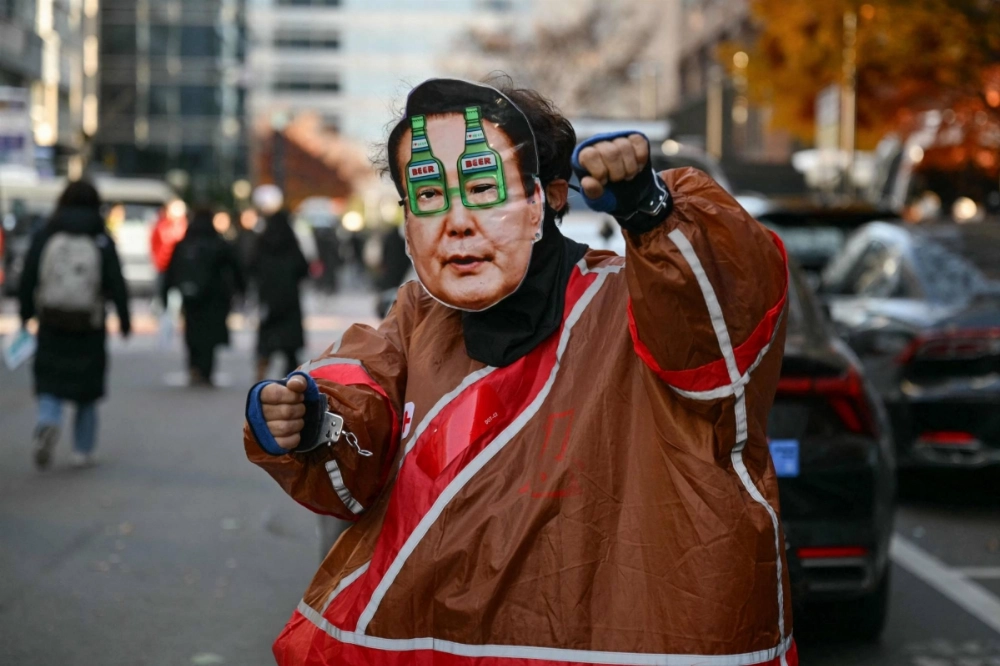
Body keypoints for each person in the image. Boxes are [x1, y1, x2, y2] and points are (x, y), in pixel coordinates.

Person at [244, 78, 794, 666]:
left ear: (551, 195)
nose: (456, 222)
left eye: (483, 187)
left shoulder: (631, 301)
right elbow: (360, 396)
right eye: (428, 196)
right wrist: (311, 417)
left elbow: (721, 323)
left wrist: (652, 212)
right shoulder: (419, 318)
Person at [18, 180, 131, 469]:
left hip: (52, 320)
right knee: (87, 389)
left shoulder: (46, 233)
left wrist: (26, 313)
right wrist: (124, 319)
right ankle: (82, 450)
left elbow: (29, 275)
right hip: (88, 324)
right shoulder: (100, 236)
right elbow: (116, 282)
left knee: (50, 379)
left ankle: (48, 421)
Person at [163, 207, 244, 386]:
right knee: (210, 336)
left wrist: (165, 294)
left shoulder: (184, 244)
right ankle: (206, 371)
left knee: (192, 332)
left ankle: (194, 367)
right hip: (214, 298)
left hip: (191, 297)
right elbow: (235, 268)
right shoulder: (218, 243)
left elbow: (170, 272)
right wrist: (240, 290)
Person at [250, 209, 309, 381]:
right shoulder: (291, 243)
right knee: (290, 348)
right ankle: (292, 381)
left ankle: (260, 376)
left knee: (266, 342)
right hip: (289, 300)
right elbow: (303, 269)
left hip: (268, 299)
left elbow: (251, 266)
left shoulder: (262, 243)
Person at [150, 198, 188, 298]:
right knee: (161, 292)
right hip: (163, 265)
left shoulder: (184, 226)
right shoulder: (161, 225)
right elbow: (154, 243)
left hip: (179, 266)